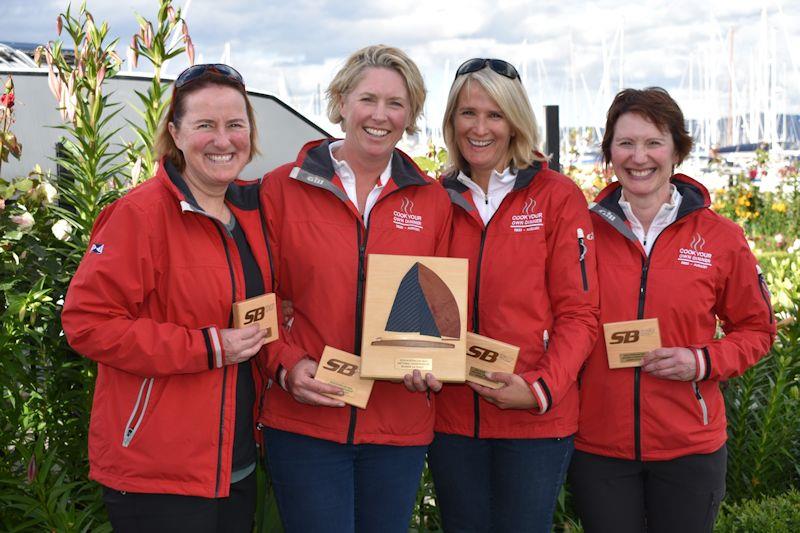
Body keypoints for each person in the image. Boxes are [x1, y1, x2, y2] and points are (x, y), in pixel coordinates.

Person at [61, 64, 272, 532]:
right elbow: (86, 323)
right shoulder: (139, 215)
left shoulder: (252, 214)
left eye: (236, 124)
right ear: (175, 133)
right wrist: (206, 347)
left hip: (234, 465)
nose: (223, 139)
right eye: (205, 125)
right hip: (158, 473)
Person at [256, 45, 452, 532]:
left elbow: (443, 308)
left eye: (396, 104)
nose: (380, 116)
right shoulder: (281, 188)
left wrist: (430, 363)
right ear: (341, 101)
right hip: (306, 416)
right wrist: (285, 367)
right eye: (368, 99)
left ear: (410, 116)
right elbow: (253, 301)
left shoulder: (432, 201)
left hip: (397, 424)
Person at [569, 87, 776, 533]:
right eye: (625, 143)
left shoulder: (721, 237)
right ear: (609, 152)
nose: (638, 156)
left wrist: (702, 360)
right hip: (599, 445)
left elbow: (758, 330)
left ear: (677, 150)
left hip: (690, 447)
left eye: (653, 142)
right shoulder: (580, 231)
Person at [431, 58, 600, 532]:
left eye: (495, 115)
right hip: (453, 418)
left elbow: (580, 313)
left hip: (536, 418)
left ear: (515, 122)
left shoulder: (557, 196)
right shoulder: (434, 198)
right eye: (468, 113)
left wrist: (539, 388)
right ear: (451, 121)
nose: (479, 128)